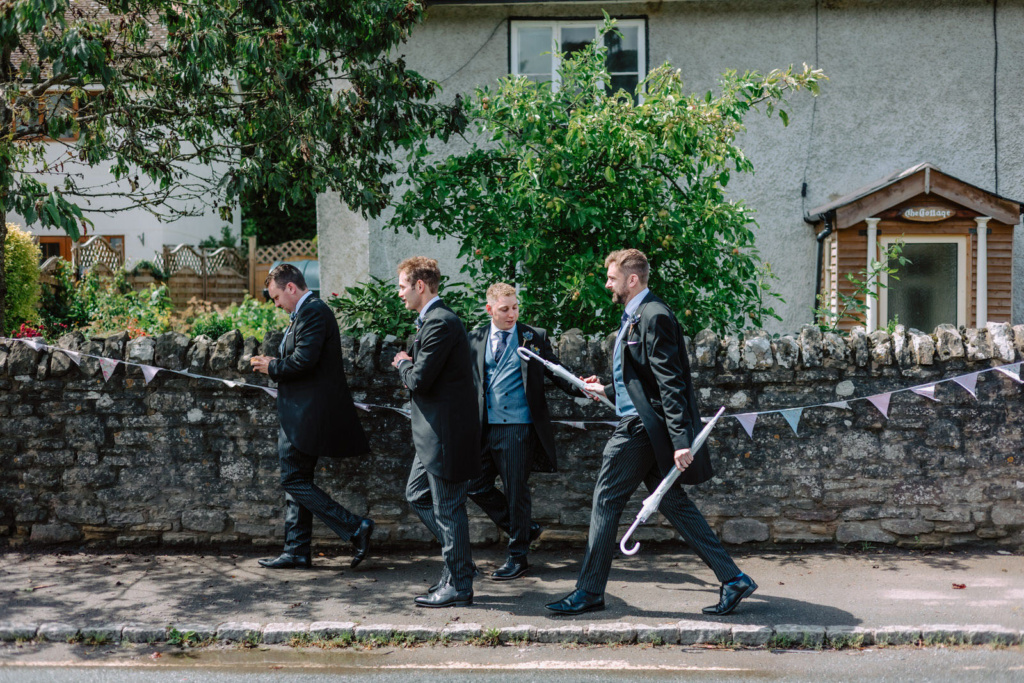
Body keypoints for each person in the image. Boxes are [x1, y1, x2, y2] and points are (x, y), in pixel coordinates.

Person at [545, 249, 756, 616]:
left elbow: (670, 384)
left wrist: (680, 442)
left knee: (606, 500)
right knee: (673, 504)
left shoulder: (654, 316)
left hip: (641, 428)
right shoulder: (635, 315)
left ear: (632, 279)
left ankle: (589, 592)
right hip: (643, 423)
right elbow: (641, 379)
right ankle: (734, 579)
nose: (607, 283)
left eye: (612, 278)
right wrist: (605, 390)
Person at [250, 264, 374, 570]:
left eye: (277, 297)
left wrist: (272, 367)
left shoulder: (314, 312)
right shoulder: (303, 314)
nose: (276, 304)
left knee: (292, 478)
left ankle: (355, 527)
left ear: (291, 288)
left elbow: (304, 360)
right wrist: (275, 363)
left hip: (307, 414)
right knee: (298, 479)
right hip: (299, 411)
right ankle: (296, 551)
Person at [466, 282, 581, 580]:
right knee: (474, 484)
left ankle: (519, 557)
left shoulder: (532, 336)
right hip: (483, 427)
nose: (512, 314)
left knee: (516, 492)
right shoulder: (475, 337)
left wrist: (582, 386)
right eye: (505, 309)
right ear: (490, 309)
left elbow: (554, 369)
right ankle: (526, 530)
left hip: (518, 428)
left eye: (515, 307)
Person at [391, 257, 481, 608]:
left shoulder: (441, 322)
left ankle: (459, 584)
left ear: (420, 286)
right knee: (416, 495)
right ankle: (459, 563)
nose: (399, 294)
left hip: (445, 435)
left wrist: (402, 363)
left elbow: (419, 380)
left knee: (449, 510)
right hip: (432, 436)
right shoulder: (431, 320)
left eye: (402, 286)